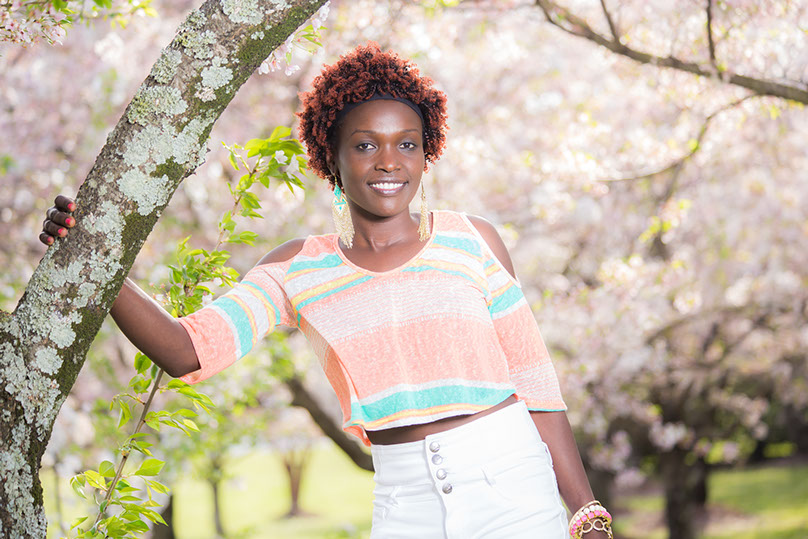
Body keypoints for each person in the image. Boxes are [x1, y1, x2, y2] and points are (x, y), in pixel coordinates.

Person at [41, 43, 612, 539]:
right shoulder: (298, 268)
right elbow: (184, 349)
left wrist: (585, 510)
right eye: (365, 146)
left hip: (513, 486)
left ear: (426, 151)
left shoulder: (472, 240)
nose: (389, 162)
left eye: (407, 144)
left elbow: (535, 380)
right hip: (403, 502)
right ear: (331, 157)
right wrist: (94, 258)